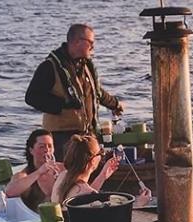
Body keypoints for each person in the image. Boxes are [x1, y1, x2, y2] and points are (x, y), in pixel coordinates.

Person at [25, 23, 124, 161]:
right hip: (61, 138)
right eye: (90, 42)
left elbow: (96, 92)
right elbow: (32, 97)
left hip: (86, 134)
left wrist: (115, 104)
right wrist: (63, 104)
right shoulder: (49, 67)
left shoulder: (85, 66)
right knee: (66, 176)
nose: (93, 47)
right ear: (77, 42)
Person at [51, 134, 151, 208]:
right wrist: (139, 204)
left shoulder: (62, 177)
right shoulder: (89, 194)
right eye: (101, 152)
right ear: (93, 160)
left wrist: (102, 176)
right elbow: (114, 221)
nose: (102, 156)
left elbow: (85, 197)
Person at [5, 129, 64, 211]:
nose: (47, 150)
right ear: (31, 150)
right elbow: (9, 192)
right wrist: (39, 172)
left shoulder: (62, 169)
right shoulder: (24, 175)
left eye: (50, 146)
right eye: (41, 147)